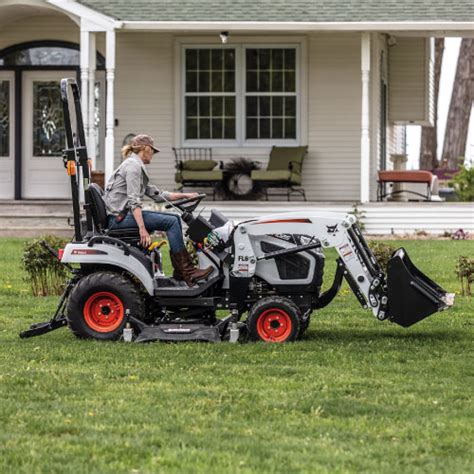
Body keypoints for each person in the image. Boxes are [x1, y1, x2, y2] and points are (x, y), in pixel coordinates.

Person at [103, 134, 212, 286]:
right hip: (119, 219)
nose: (153, 154)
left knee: (174, 219)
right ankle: (188, 272)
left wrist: (186, 195)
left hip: (122, 216)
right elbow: (134, 201)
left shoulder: (135, 166)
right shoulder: (133, 167)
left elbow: (158, 195)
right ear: (146, 148)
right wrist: (142, 229)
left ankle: (182, 273)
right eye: (152, 150)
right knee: (171, 222)